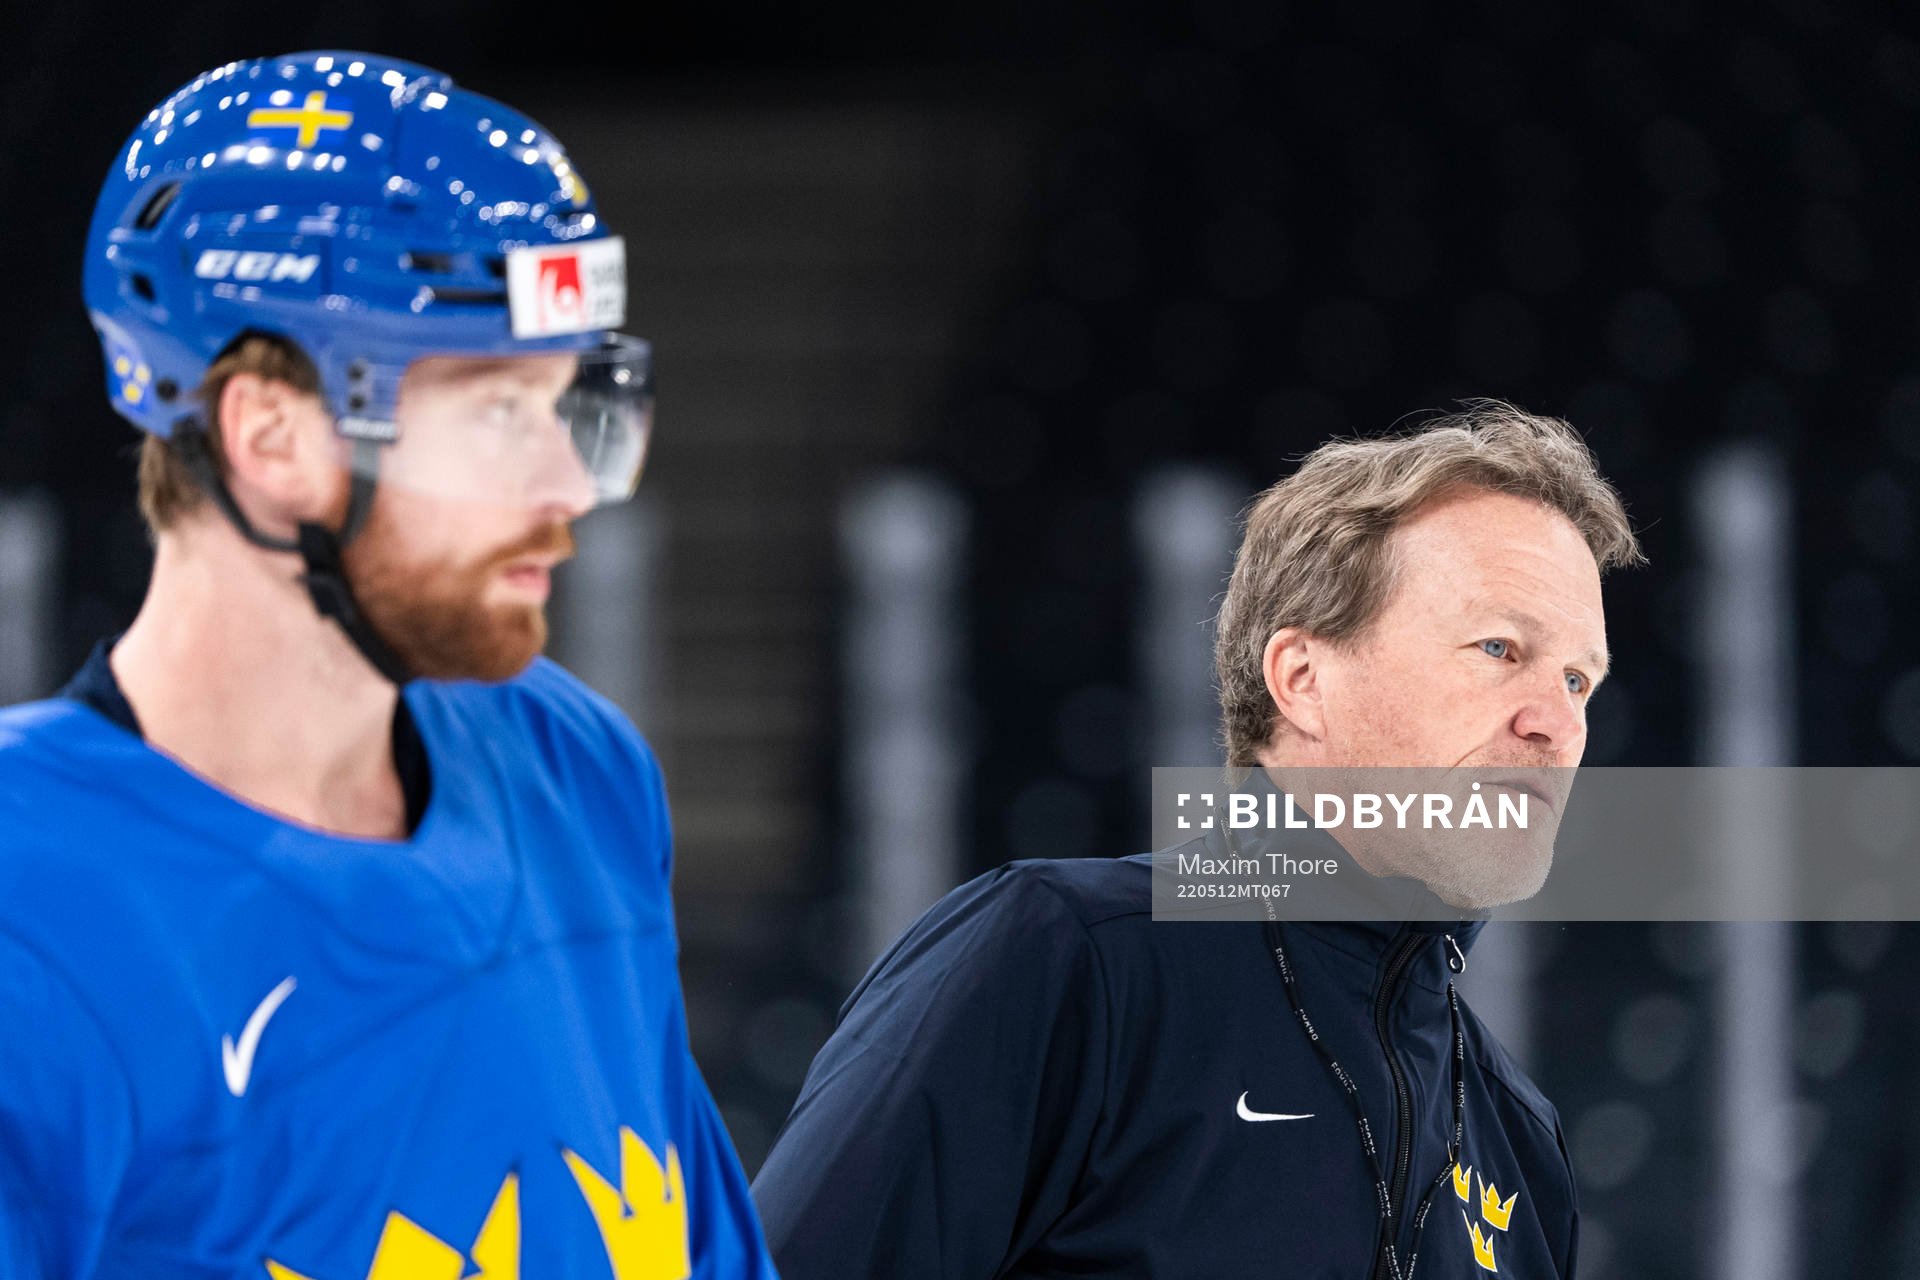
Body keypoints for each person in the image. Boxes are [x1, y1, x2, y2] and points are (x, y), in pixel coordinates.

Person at [0, 52, 777, 1279]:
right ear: (269, 435)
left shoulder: (576, 765)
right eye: (495, 413)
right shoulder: (30, 901)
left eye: (568, 403)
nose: (568, 485)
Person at [753, 402, 1643, 1278]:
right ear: (1302, 679)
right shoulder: (1065, 963)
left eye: (1579, 679)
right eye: (1499, 649)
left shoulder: (1516, 1139)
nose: (1558, 724)